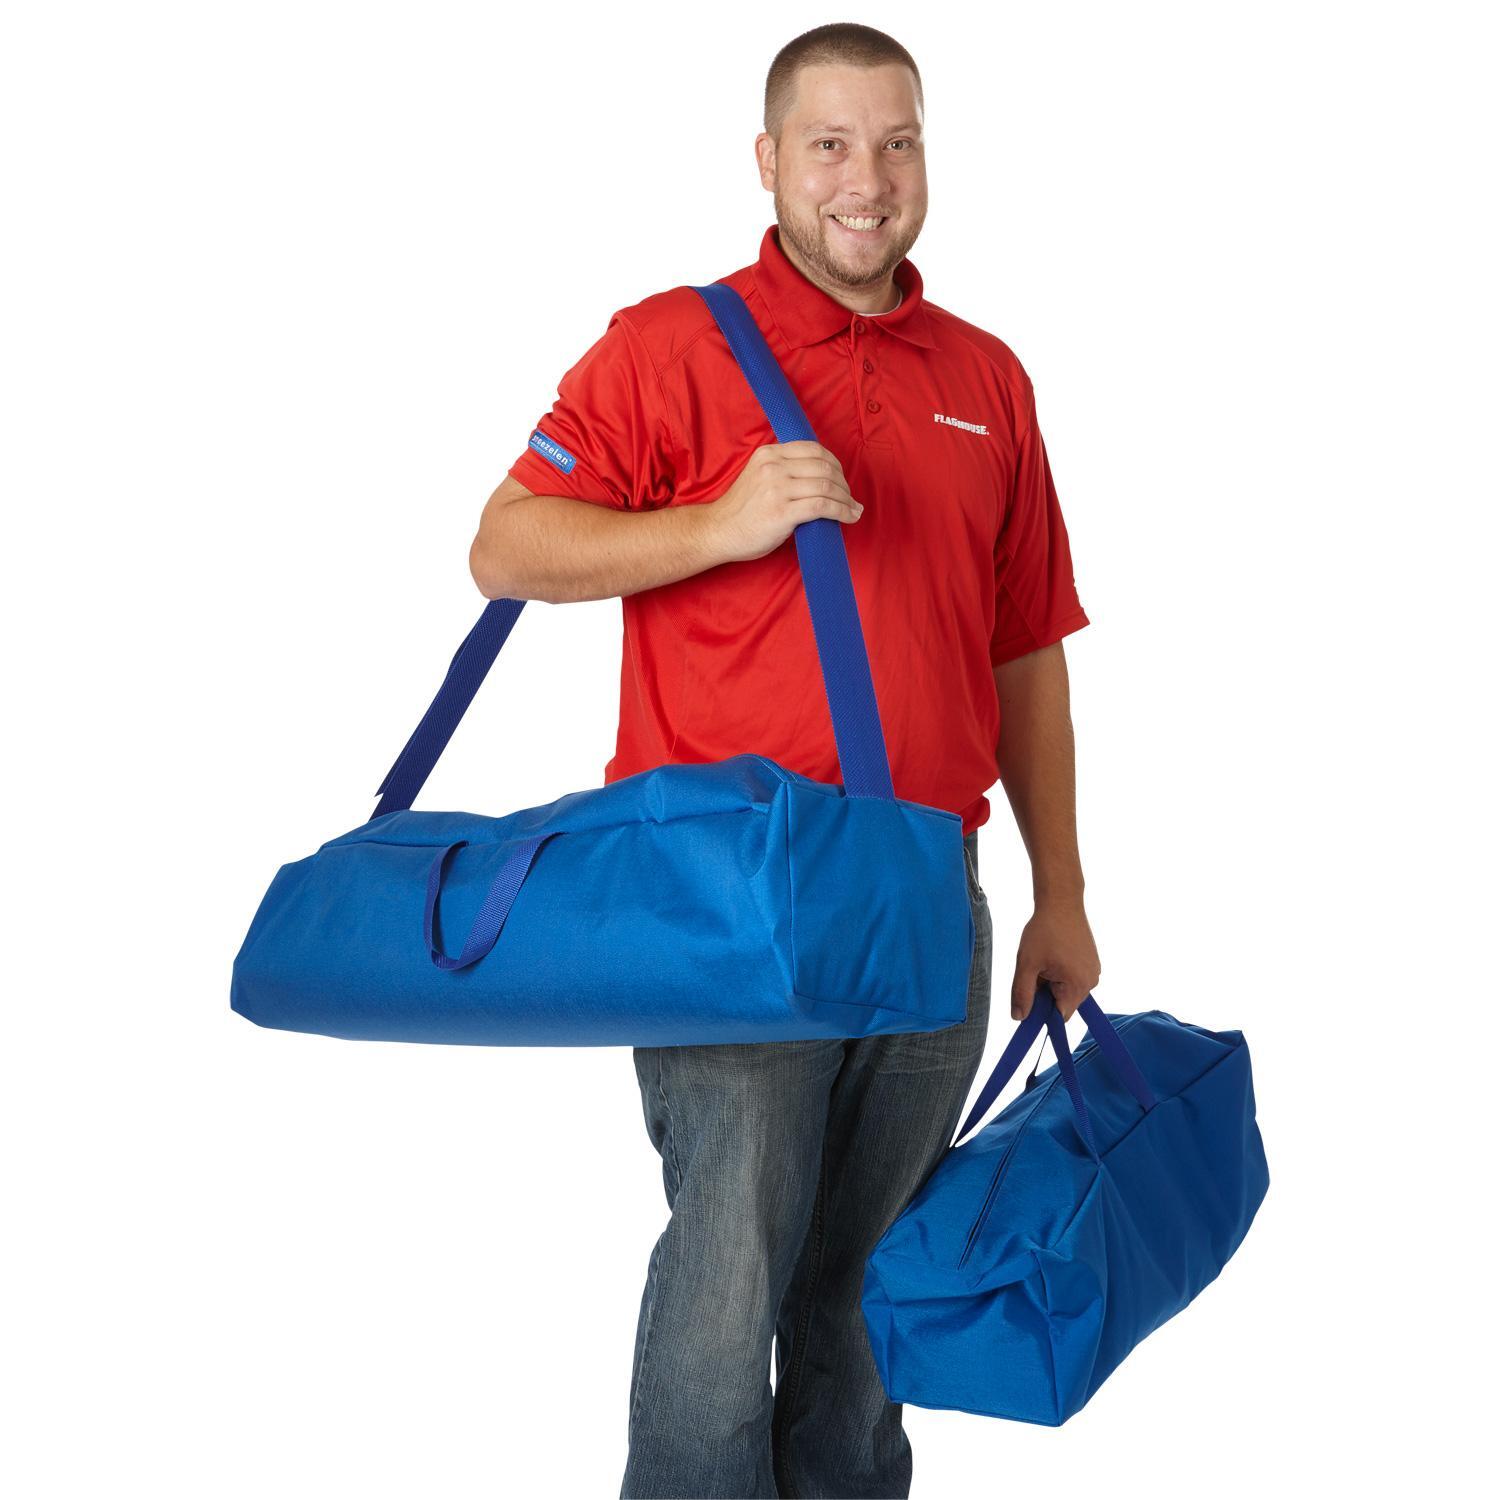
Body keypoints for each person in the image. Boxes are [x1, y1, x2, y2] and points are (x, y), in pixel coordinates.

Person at [469, 22, 1100, 1499]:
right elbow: (504, 546)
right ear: (768, 161)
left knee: (871, 1288)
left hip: (929, 884)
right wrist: (718, 525)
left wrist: (1060, 893)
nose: (865, 180)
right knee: (727, 1277)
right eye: (829, 144)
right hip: (727, 890)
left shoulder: (988, 377)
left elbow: (1026, 653)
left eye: (897, 143)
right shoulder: (668, 347)